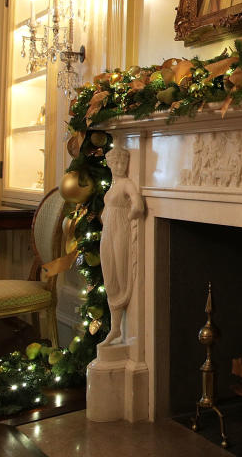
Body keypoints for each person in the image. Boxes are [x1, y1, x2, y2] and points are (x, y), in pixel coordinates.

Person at [97, 146, 144, 347]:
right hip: (108, 231)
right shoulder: (113, 185)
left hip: (120, 231)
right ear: (109, 164)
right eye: (115, 163)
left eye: (122, 163)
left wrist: (129, 216)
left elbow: (138, 205)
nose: (119, 166)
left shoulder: (126, 184)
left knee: (119, 272)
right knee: (109, 275)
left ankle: (117, 327)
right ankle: (116, 328)